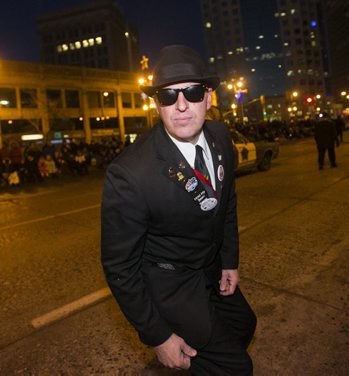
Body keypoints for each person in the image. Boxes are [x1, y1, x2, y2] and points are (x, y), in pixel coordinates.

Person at [100, 44, 256, 375]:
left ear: (209, 97)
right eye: (168, 95)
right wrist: (158, 337)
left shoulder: (220, 136)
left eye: (192, 92)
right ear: (156, 103)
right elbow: (119, 268)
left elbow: (226, 203)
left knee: (244, 325)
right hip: (170, 284)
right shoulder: (130, 173)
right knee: (237, 367)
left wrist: (229, 259)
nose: (181, 105)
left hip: (211, 268)